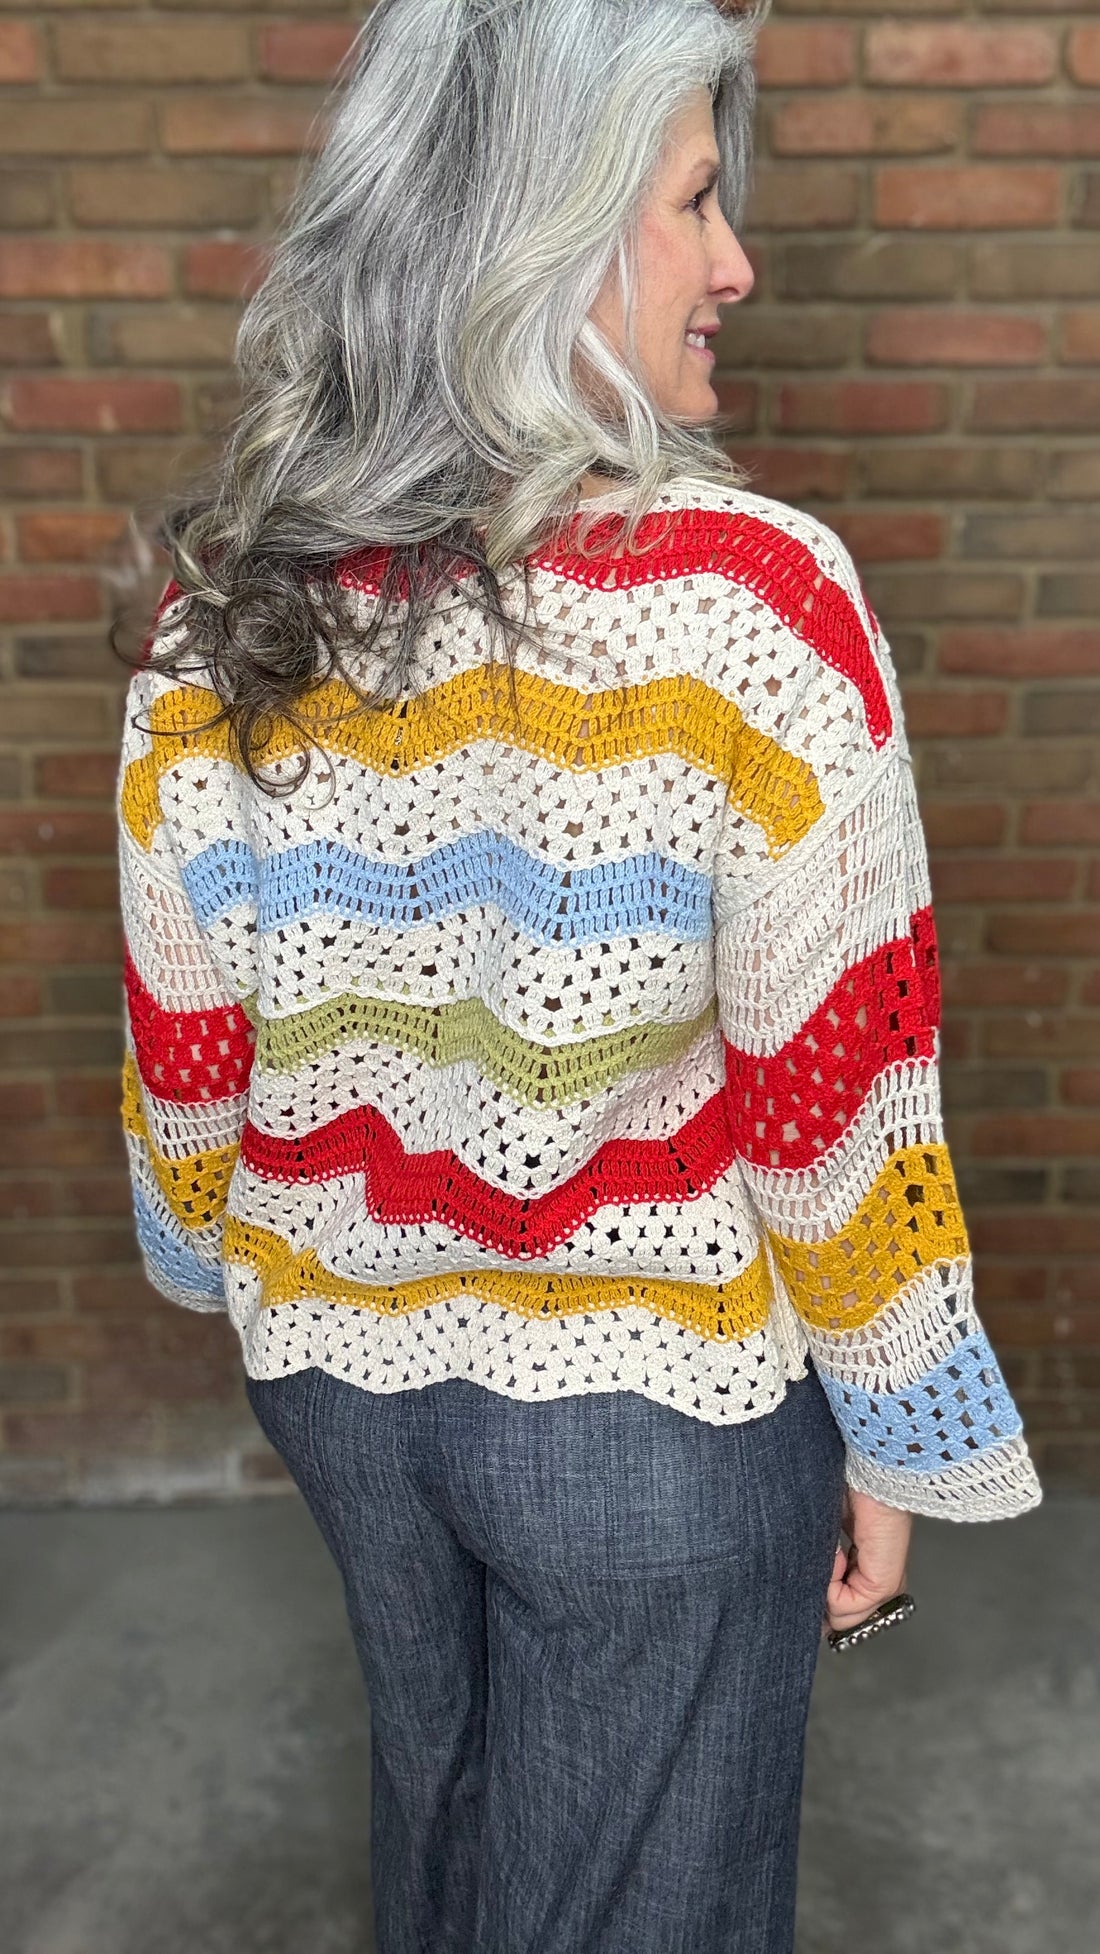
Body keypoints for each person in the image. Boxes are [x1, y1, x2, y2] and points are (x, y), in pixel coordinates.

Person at [113, 2, 1043, 1949]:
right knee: (640, 1899)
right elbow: (834, 1104)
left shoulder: (237, 604)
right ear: (545, 226)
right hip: (651, 1409)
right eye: (697, 202)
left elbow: (187, 1033)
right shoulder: (748, 603)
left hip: (339, 1378)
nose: (738, 263)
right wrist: (897, 1420)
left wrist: (224, 1253)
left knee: (444, 1824)